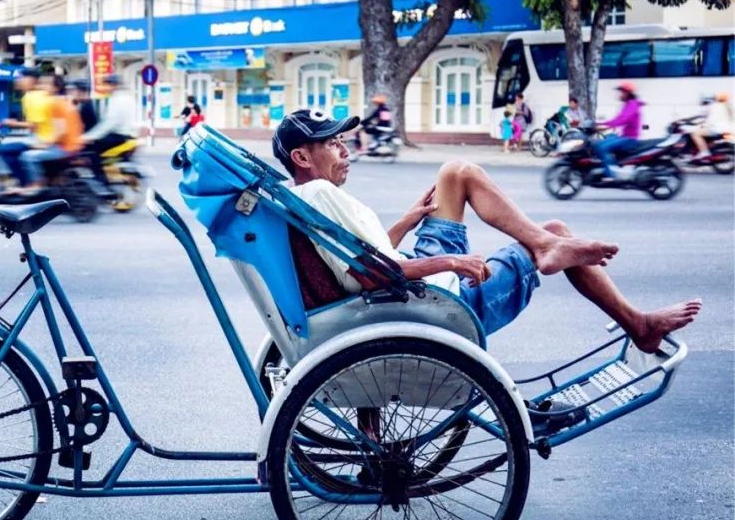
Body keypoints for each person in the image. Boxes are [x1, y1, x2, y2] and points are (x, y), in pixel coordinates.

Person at [271, 108, 699, 364]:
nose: (346, 151)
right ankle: (637, 323)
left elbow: (355, 257)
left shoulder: (304, 195)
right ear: (302, 156)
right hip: (428, 298)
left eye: (344, 140)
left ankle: (548, 247)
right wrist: (451, 262)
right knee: (554, 231)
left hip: (410, 283)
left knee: (455, 174)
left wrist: (405, 222)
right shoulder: (320, 192)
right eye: (333, 144)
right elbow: (369, 276)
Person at [10, 74, 84, 194]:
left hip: (66, 147)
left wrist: (44, 145)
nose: (41, 86)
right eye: (41, 83)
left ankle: (36, 186)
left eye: (46, 84)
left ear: (56, 88)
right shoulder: (63, 101)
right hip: (72, 144)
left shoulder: (55, 104)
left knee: (28, 156)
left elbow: (61, 132)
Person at [82, 74, 138, 182]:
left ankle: (100, 179)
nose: (105, 88)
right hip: (129, 136)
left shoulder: (116, 99)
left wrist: (90, 137)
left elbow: (110, 122)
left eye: (107, 85)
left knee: (92, 152)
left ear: (113, 85)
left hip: (118, 136)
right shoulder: (128, 98)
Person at [595, 82, 644, 180]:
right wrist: (599, 124)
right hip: (624, 136)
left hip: (630, 139)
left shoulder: (632, 104)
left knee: (602, 147)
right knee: (600, 142)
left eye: (621, 92)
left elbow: (624, 119)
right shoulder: (628, 104)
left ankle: (610, 175)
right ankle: (610, 166)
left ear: (627, 93)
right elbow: (617, 119)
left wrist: (605, 127)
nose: (619, 95)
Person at [690, 92, 733, 164]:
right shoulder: (725, 106)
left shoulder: (709, 107)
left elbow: (705, 119)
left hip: (716, 129)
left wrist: (701, 124)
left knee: (695, 134)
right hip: (726, 129)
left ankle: (704, 152)